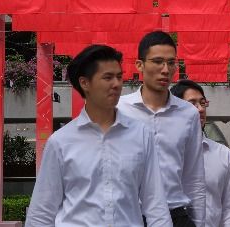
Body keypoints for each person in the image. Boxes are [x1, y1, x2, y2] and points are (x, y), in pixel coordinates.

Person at [25, 44, 171, 227]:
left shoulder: (141, 135)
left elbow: (155, 204)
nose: (117, 84)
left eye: (119, 76)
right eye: (108, 77)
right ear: (85, 83)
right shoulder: (61, 142)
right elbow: (41, 213)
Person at [119, 31, 207, 227]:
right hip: (129, 214)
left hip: (175, 213)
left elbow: (194, 177)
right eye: (158, 61)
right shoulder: (118, 109)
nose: (165, 69)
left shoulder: (188, 114)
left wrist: (199, 222)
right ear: (139, 65)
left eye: (171, 62)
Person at [172, 79, 230, 227]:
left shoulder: (223, 154)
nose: (200, 109)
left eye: (202, 103)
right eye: (192, 104)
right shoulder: (162, 153)